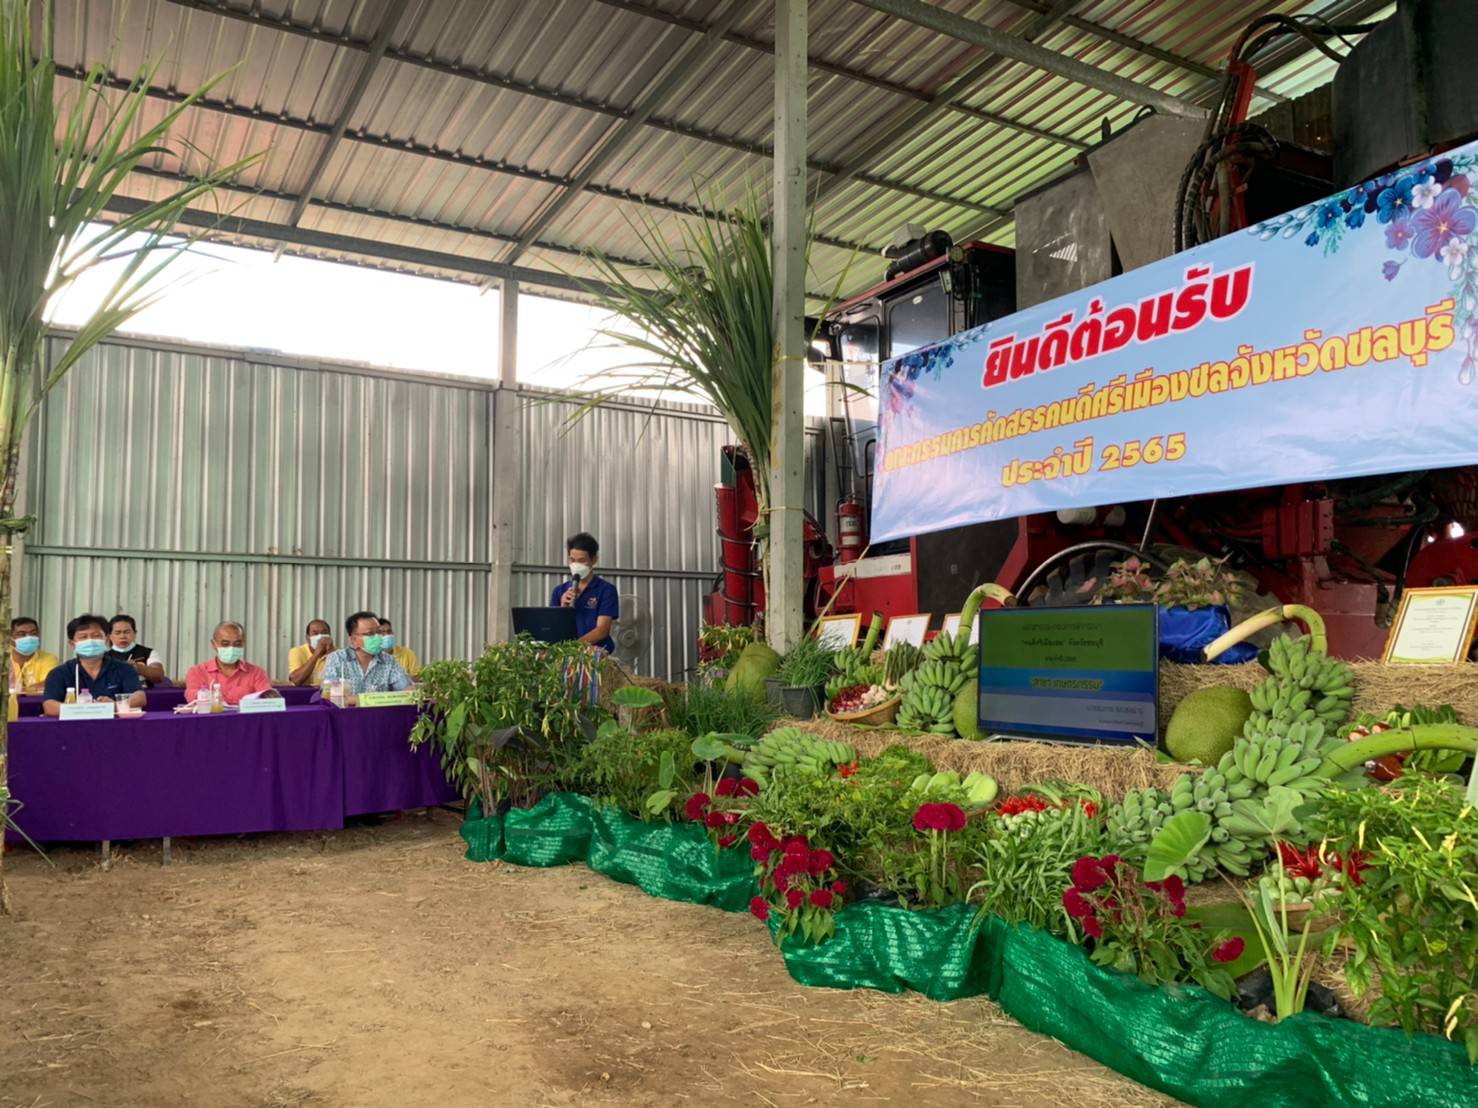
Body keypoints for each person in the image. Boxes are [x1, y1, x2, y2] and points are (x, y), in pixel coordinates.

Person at [42, 614, 146, 715]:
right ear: (72, 644)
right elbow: (49, 706)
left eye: (96, 636)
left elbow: (139, 698)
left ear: (106, 639)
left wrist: (112, 706)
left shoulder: (124, 668)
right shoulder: (59, 673)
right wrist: (85, 709)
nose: (90, 641)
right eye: (83, 637)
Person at [320, 611, 413, 703]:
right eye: (370, 633)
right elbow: (329, 696)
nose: (377, 637)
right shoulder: (337, 659)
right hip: (347, 713)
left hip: (380, 713)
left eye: (379, 632)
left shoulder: (389, 660)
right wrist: (379, 699)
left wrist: (353, 699)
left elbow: (409, 691)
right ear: (354, 640)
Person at [550, 532, 618, 654]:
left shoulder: (606, 590)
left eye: (582, 560)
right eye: (572, 560)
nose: (576, 565)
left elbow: (602, 630)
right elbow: (552, 629)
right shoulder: (559, 591)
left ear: (594, 560)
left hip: (595, 655)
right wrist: (563, 608)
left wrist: (574, 647)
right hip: (565, 655)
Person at [184, 621, 273, 706]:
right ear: (214, 644)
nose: (231, 648)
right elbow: (192, 697)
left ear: (243, 643)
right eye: (225, 644)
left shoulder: (257, 673)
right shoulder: (197, 672)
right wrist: (209, 697)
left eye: (237, 644)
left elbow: (268, 701)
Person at [108, 614, 168, 687]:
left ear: (135, 633)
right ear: (110, 636)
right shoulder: (103, 656)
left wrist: (137, 667)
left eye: (127, 632)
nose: (122, 636)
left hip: (144, 693)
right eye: (117, 633)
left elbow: (159, 677)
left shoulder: (148, 653)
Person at [9, 616, 59, 694]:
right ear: (10, 638)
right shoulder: (3, 660)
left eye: (33, 633)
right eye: (22, 634)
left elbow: (50, 683)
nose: (29, 637)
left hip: (37, 701)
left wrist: (18, 691)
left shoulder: (48, 659)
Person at [287, 619, 334, 686]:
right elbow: (296, 680)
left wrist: (333, 655)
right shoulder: (297, 652)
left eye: (324, 633)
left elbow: (343, 682)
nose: (320, 637)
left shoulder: (338, 653)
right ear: (307, 638)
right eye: (315, 633)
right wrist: (316, 654)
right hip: (305, 692)